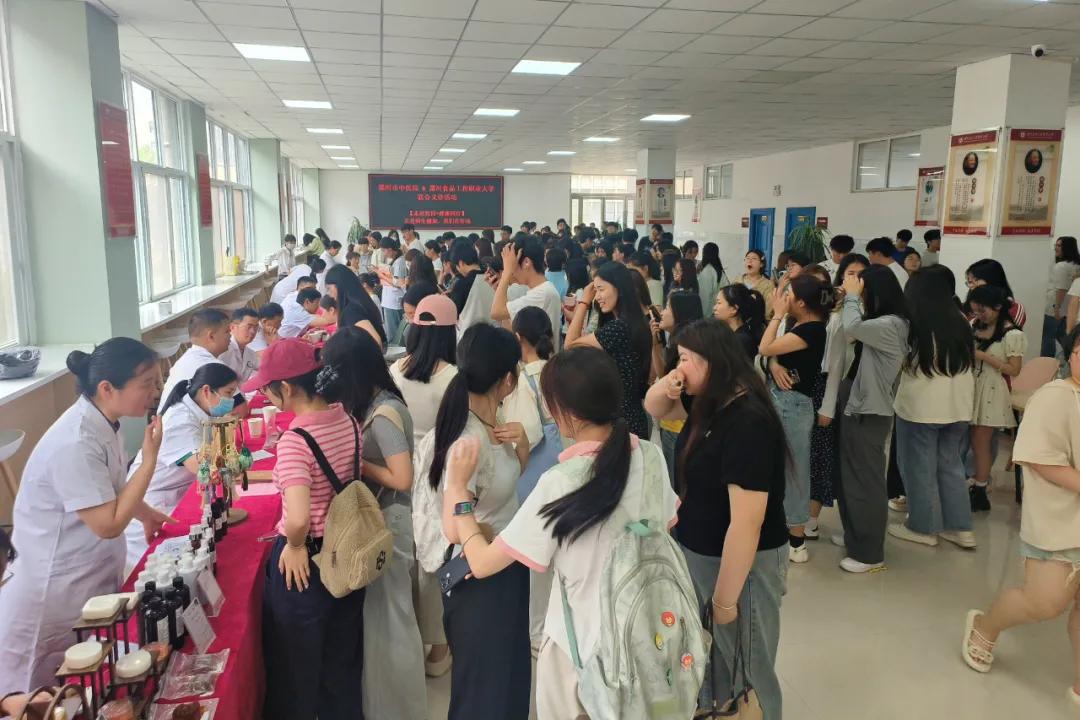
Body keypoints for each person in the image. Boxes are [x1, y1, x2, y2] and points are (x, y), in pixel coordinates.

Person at [444, 346, 677, 718]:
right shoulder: (651, 457)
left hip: (580, 651)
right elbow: (660, 525)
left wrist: (459, 495)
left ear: (564, 413)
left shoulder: (561, 482)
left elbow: (483, 563)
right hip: (648, 633)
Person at [0, 340, 170, 694]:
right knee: (42, 695)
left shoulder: (105, 422)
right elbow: (108, 524)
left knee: (88, 684)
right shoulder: (75, 440)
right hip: (52, 591)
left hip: (86, 578)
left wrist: (146, 514)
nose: (155, 392)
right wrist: (149, 461)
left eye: (156, 383)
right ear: (107, 388)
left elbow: (112, 486)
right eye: (147, 384)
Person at [645, 319, 788, 718]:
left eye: (685, 358)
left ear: (713, 361)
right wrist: (669, 382)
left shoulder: (748, 422)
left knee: (750, 669)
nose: (679, 367)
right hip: (704, 554)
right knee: (719, 662)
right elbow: (652, 406)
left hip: (744, 566)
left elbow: (747, 523)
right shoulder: (709, 402)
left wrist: (725, 599)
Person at [245, 339, 367, 720]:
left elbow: (297, 517)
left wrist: (295, 545)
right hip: (346, 555)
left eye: (268, 389)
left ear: (286, 388)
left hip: (307, 563)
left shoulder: (295, 441)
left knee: (295, 670)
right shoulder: (348, 420)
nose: (265, 396)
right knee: (341, 666)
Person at [413, 324, 529, 720]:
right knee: (485, 689)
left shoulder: (485, 422)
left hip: (501, 565)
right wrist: (487, 527)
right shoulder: (468, 441)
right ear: (508, 380)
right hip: (479, 574)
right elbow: (452, 526)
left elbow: (502, 488)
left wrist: (522, 447)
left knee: (505, 676)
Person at [962, 326, 1080, 701]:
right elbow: (1039, 457)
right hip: (1060, 521)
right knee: (1045, 601)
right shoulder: (1056, 397)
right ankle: (985, 625)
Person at [319, 328, 428, 719]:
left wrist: (355, 461)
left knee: (392, 623)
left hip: (391, 522)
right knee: (386, 622)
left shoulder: (383, 415)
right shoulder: (379, 402)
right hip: (386, 518)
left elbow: (402, 477)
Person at [888, 265, 976, 549]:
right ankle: (960, 528)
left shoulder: (912, 322)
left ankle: (922, 527)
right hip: (958, 407)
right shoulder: (960, 320)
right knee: (951, 466)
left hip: (921, 409)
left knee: (919, 469)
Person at [124, 362, 238, 571]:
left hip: (173, 497)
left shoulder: (198, 411)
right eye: (228, 393)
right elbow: (204, 469)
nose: (231, 401)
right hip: (154, 506)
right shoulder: (181, 420)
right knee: (169, 571)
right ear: (206, 391)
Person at [832, 266, 908, 573]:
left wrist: (851, 298)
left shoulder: (892, 324)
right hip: (857, 403)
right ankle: (856, 536)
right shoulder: (880, 321)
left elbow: (852, 327)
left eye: (862, 291)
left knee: (865, 480)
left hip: (869, 412)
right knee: (849, 477)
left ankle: (869, 553)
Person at [759, 275, 831, 563]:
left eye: (788, 294)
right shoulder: (800, 325)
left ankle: (797, 539)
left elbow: (765, 347)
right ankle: (782, 528)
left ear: (801, 303)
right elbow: (770, 354)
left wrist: (776, 315)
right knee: (779, 468)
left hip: (794, 405)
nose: (783, 297)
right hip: (782, 400)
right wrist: (775, 363)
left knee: (796, 470)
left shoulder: (813, 329)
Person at [811, 254, 869, 538]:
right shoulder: (828, 308)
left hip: (839, 388)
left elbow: (837, 359)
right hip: (811, 384)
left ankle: (812, 519)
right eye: (849, 273)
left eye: (860, 274)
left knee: (825, 456)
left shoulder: (860, 312)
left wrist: (827, 406)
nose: (854, 279)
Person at [566, 261, 652, 439]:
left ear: (619, 287)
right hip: (632, 417)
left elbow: (569, 345)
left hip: (621, 422)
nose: (597, 296)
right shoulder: (635, 322)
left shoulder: (619, 329)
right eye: (595, 291)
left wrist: (584, 302)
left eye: (601, 289)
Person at [968, 285, 1026, 512]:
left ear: (998, 307)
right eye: (975, 311)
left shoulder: (1013, 334)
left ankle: (980, 489)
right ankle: (972, 482)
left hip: (991, 389)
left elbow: (1014, 369)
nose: (979, 315)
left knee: (981, 442)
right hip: (971, 384)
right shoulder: (975, 326)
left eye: (983, 310)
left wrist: (984, 357)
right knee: (970, 440)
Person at [649, 291, 704, 482]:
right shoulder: (677, 339)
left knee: (677, 483)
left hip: (679, 425)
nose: (662, 312)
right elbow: (663, 375)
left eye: (667, 307)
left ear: (680, 312)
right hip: (672, 423)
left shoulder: (688, 343)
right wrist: (655, 343)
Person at [159, 309, 247, 416]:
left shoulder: (183, 360)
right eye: (227, 331)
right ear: (211, 336)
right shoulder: (213, 367)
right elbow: (241, 410)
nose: (230, 336)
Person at [492, 236, 563, 353]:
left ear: (526, 262)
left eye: (512, 265)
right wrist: (500, 289)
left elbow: (496, 312)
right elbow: (509, 328)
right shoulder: (542, 290)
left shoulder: (542, 293)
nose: (511, 271)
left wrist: (506, 274)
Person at [325, 264, 386, 349]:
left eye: (329, 288)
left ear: (339, 286)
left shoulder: (352, 310)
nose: (329, 294)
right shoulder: (360, 301)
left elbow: (376, 341)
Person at [447, 242, 494, 341]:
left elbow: (453, 313)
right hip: (494, 333)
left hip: (470, 338)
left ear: (461, 263)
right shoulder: (493, 278)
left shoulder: (462, 284)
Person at [1042, 235, 1080, 357]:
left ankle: (1046, 362)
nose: (1056, 248)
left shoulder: (1061, 266)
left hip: (1055, 306)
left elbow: (1061, 289)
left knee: (1048, 336)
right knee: (1063, 335)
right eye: (1056, 245)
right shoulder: (1076, 266)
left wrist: (1057, 308)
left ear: (1067, 248)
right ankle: (1071, 357)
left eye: (1059, 246)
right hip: (1067, 306)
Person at [965, 258, 1027, 329]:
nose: (971, 286)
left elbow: (1005, 332)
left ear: (992, 280)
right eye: (969, 281)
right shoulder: (968, 306)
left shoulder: (1014, 309)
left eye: (976, 280)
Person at [714, 283, 766, 361]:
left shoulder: (741, 341)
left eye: (719, 303)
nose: (714, 308)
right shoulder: (731, 334)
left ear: (734, 309)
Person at [220, 307, 260, 383]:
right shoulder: (222, 351)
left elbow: (265, 368)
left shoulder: (250, 354)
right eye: (249, 327)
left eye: (256, 327)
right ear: (232, 327)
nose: (253, 331)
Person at [740, 249, 775, 319]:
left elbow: (768, 312)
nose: (749, 261)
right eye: (747, 258)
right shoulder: (737, 280)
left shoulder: (768, 285)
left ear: (761, 264)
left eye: (754, 259)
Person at [697, 242, 725, 317]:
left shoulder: (708, 271)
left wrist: (702, 316)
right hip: (718, 311)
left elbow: (704, 296)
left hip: (708, 313)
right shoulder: (719, 270)